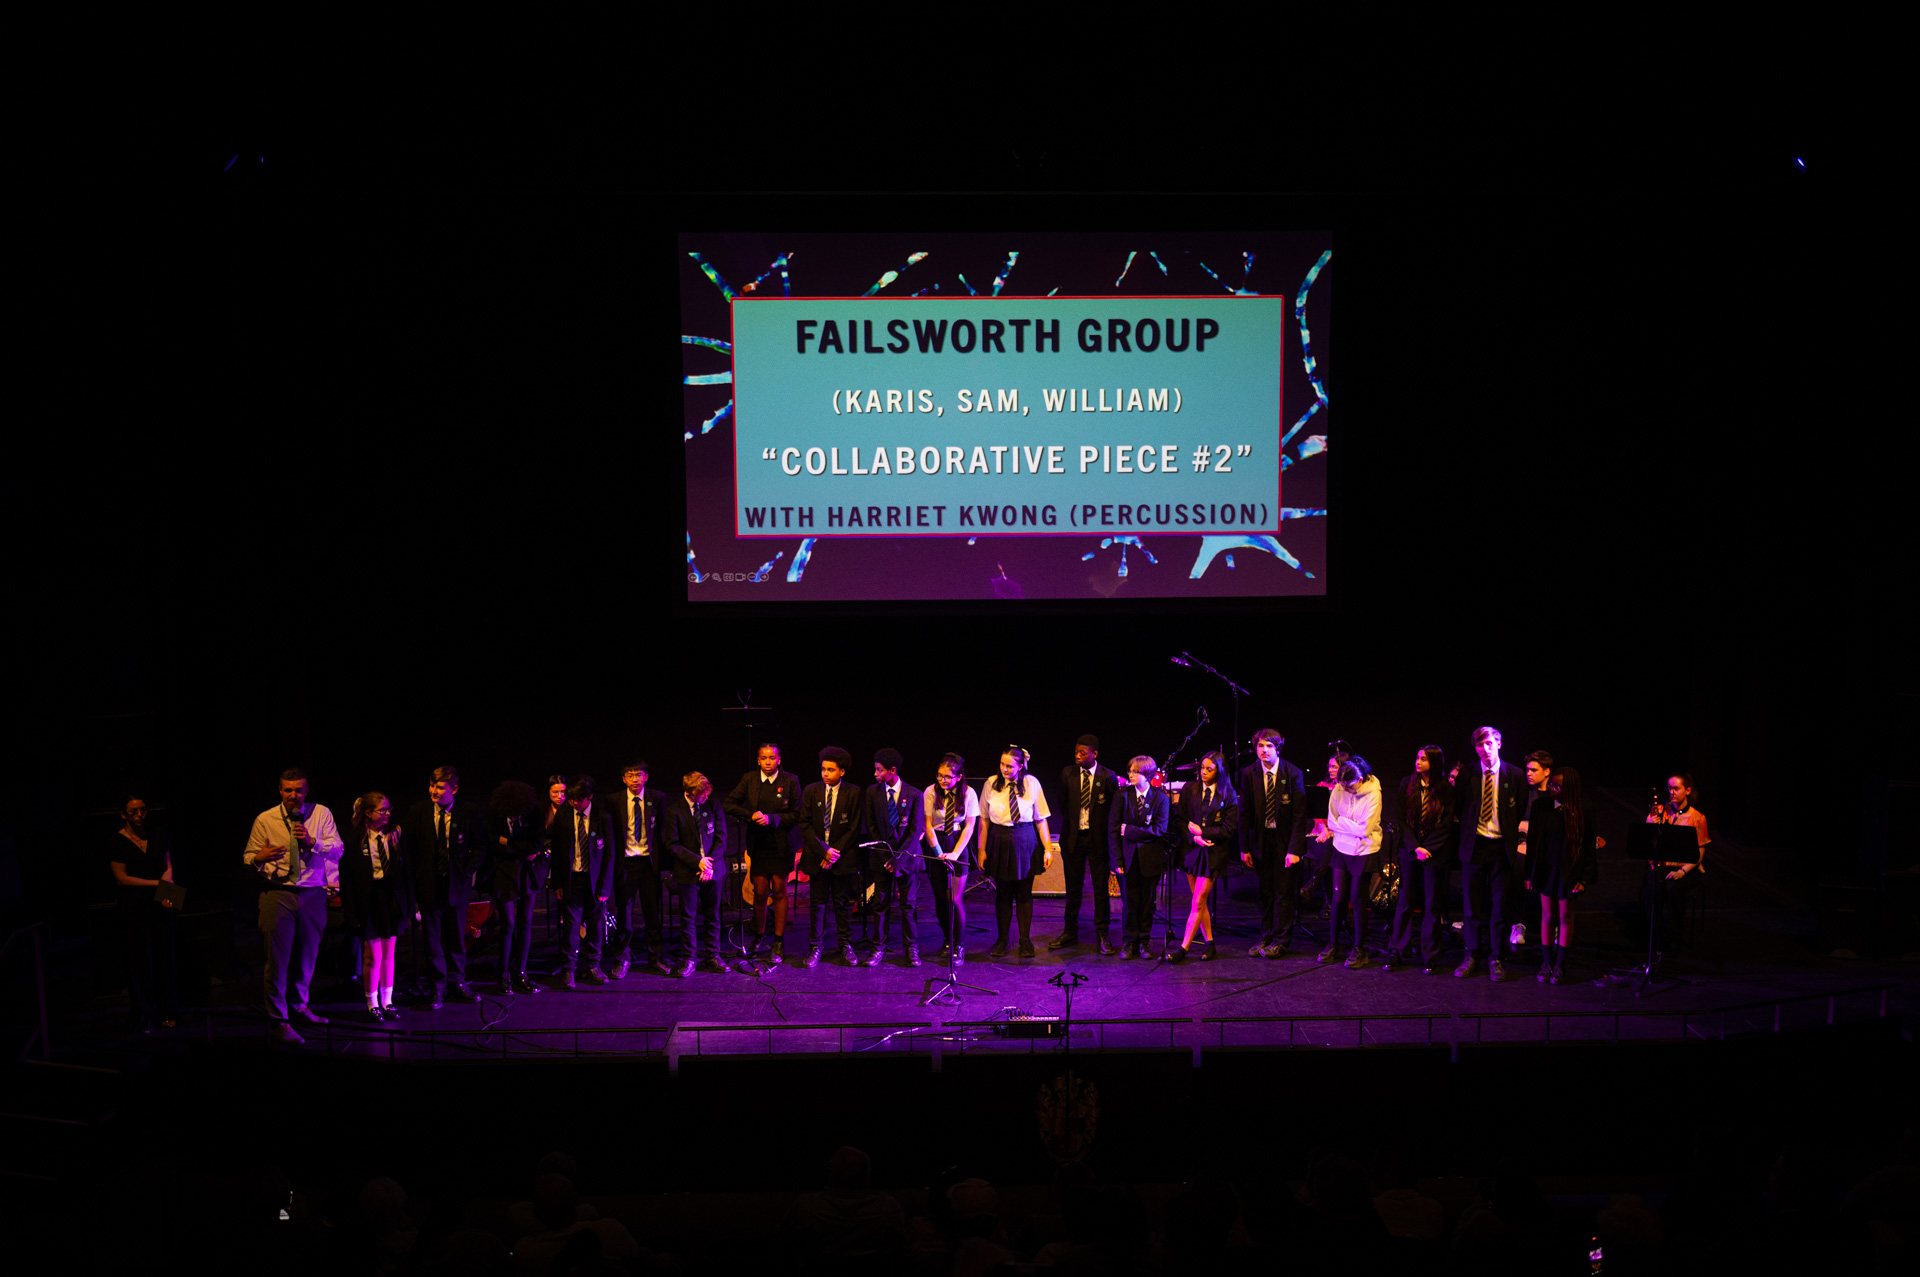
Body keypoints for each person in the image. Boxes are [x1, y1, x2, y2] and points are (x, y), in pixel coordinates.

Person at [243, 769, 343, 1044]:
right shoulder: (265, 819)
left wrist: (313, 842)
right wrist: (259, 857)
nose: (293, 795)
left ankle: (299, 1005)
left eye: (298, 790)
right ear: (280, 790)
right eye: (288, 790)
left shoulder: (321, 813)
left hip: (312, 893)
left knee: (307, 956)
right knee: (277, 960)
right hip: (278, 893)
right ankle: (279, 1020)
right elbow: (248, 857)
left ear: (306, 791)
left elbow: (338, 849)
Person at [404, 766, 486, 1008]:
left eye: (440, 787)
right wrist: (414, 884)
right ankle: (437, 987)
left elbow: (480, 846)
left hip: (456, 886)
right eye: (432, 785)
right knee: (432, 939)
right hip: (429, 886)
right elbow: (409, 850)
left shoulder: (468, 811)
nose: (434, 791)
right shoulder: (418, 811)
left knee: (456, 937)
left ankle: (457, 983)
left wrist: (466, 872)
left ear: (454, 789)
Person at [1454, 727, 1528, 982]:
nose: (1484, 749)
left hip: (1500, 848)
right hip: (1474, 847)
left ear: (1498, 743)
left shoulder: (1514, 775)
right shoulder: (1468, 774)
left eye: (1488, 743)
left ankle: (1496, 957)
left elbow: (1518, 809)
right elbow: (1461, 807)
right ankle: (1472, 954)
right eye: (1479, 745)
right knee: (1472, 906)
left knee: (1499, 907)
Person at [725, 742, 802, 963]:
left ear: (779, 760)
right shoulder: (749, 779)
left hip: (781, 845)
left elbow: (796, 814)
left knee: (779, 891)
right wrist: (749, 815)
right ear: (758, 760)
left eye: (772, 758)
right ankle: (759, 936)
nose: (768, 762)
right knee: (759, 893)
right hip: (758, 844)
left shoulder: (790, 780)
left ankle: (778, 940)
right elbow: (729, 803)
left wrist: (772, 819)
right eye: (764, 758)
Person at [339, 791, 413, 1020]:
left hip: (390, 899)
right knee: (373, 954)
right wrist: (351, 913)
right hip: (368, 900)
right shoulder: (355, 839)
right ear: (368, 813)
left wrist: (409, 906)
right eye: (382, 810)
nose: (387, 814)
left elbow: (407, 873)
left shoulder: (395, 834)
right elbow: (347, 880)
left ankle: (387, 1000)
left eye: (389, 809)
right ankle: (372, 1002)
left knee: (389, 953)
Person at [107, 795, 178, 1032]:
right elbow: (121, 878)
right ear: (123, 815)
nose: (139, 816)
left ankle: (167, 1011)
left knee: (165, 956)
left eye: (143, 811)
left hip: (160, 901)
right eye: (133, 812)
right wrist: (156, 885)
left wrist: (167, 891)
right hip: (134, 906)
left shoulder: (157, 833)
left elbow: (168, 865)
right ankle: (144, 1014)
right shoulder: (117, 841)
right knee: (140, 961)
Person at [1236, 728, 1308, 957]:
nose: (1264, 750)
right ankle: (1266, 936)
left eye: (1269, 746)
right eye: (1260, 746)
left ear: (1278, 749)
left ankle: (1281, 940)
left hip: (1284, 841)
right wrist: (1244, 847)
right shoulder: (1249, 773)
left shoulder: (1292, 773)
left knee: (1283, 893)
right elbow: (1244, 813)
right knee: (1264, 892)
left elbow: (1299, 816)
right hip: (1260, 840)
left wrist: (1294, 849)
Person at [978, 746, 1056, 958]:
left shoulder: (1031, 783)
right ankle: (1002, 939)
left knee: (1023, 892)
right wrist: (982, 849)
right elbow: (984, 820)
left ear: (1021, 766)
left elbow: (1041, 819)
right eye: (1002, 764)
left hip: (1025, 839)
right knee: (1003, 893)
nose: (1004, 769)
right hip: (1000, 838)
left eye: (1009, 766)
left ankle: (1025, 940)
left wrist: (1048, 848)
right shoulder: (991, 783)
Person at [1384, 746, 1456, 974]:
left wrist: (1428, 848)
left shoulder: (1445, 788)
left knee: (1432, 904)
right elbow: (1401, 818)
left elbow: (1447, 823)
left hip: (1435, 853)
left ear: (1434, 762)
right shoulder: (1408, 783)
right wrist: (1416, 847)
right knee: (1405, 902)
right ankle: (1397, 950)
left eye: (1423, 759)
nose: (1418, 761)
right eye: (1417, 757)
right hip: (1410, 851)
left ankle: (1430, 955)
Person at [1051, 734, 1122, 955]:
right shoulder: (1068, 774)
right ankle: (1070, 931)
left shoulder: (1108, 776)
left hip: (1097, 840)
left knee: (1100, 889)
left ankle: (1102, 933)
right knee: (1073, 889)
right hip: (1074, 838)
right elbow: (1062, 804)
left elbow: (1113, 811)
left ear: (1095, 754)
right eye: (1076, 751)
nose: (1078, 755)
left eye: (1083, 752)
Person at [1526, 767, 1595, 983]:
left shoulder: (1583, 809)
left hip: (1569, 870)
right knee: (1547, 916)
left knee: (1565, 916)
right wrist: (1529, 873)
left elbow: (1588, 846)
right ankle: (1547, 962)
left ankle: (1560, 964)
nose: (1552, 789)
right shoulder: (1541, 807)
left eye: (1557, 786)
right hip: (1546, 868)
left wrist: (1584, 878)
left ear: (1570, 789)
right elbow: (1533, 842)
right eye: (1551, 785)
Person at [799, 746, 864, 968]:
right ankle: (815, 946)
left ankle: (845, 944)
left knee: (842, 903)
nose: (825, 773)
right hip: (817, 857)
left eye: (830, 770)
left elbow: (854, 828)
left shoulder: (853, 793)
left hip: (841, 858)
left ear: (841, 772)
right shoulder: (811, 791)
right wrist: (823, 850)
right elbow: (805, 824)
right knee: (817, 903)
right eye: (823, 769)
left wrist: (833, 852)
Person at [1316, 757, 1384, 967]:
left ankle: (1359, 949)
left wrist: (1342, 822)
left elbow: (1365, 830)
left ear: (1360, 780)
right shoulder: (1339, 788)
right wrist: (1347, 825)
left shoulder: (1374, 793)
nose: (1345, 789)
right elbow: (1331, 820)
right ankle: (1333, 944)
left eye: (1349, 786)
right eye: (1342, 785)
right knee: (1338, 898)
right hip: (1341, 847)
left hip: (1364, 850)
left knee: (1358, 898)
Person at [863, 748, 927, 968]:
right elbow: (871, 827)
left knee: (908, 905)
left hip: (906, 860)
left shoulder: (915, 794)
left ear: (892, 770)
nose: (875, 774)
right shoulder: (872, 793)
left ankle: (911, 948)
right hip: (882, 860)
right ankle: (878, 947)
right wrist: (886, 857)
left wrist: (899, 859)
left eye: (879, 770)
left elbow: (915, 831)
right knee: (880, 905)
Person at [1171, 752, 1237, 963]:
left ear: (1220, 771)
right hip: (1192, 850)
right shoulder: (1190, 789)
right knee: (1198, 901)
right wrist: (1194, 837)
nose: (1204, 772)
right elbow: (1179, 821)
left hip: (1213, 852)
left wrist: (1203, 832)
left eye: (1210, 769)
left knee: (1198, 901)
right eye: (1202, 768)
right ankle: (1210, 943)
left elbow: (1229, 829)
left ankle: (1184, 948)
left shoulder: (1228, 794)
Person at [663, 771, 731, 976]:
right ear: (689, 793)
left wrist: (709, 865)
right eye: (702, 795)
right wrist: (698, 862)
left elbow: (721, 837)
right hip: (688, 871)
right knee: (688, 917)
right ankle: (689, 958)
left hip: (713, 870)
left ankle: (713, 956)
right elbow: (672, 845)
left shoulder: (713, 805)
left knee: (713, 915)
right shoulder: (674, 811)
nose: (706, 797)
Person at [607, 760, 667, 979]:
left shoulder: (657, 797)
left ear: (646, 777)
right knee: (624, 913)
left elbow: (662, 831)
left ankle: (655, 957)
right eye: (630, 775)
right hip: (625, 864)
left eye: (639, 775)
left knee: (653, 912)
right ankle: (622, 957)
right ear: (624, 779)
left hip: (649, 863)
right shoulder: (613, 800)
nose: (635, 779)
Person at [552, 776, 615, 987]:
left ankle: (593, 966)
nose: (575, 804)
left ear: (590, 797)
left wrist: (605, 886)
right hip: (572, 878)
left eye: (579, 800)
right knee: (571, 926)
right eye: (571, 800)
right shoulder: (563, 815)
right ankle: (569, 969)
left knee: (595, 925)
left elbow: (609, 855)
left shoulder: (602, 817)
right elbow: (557, 852)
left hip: (594, 880)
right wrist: (557, 883)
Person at [488, 779, 548, 994]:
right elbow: (492, 843)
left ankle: (520, 973)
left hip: (528, 873)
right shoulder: (495, 812)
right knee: (508, 923)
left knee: (525, 923)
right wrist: (520, 850)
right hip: (503, 872)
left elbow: (536, 846)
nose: (514, 818)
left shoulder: (534, 812)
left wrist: (507, 842)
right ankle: (503, 973)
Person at [922, 752, 980, 961]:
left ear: (959, 777)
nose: (942, 780)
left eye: (947, 777)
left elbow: (970, 826)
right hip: (936, 843)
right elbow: (928, 825)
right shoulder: (930, 791)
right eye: (940, 775)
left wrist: (955, 853)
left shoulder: (969, 793)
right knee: (940, 898)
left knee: (954, 899)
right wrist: (938, 853)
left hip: (957, 842)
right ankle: (948, 939)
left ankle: (959, 945)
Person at [1645, 772, 1710, 955]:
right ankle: (1652, 937)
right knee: (1651, 885)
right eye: (1669, 788)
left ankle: (1672, 938)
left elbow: (1700, 853)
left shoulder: (1698, 818)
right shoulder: (1660, 811)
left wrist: (1683, 870)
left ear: (1687, 790)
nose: (1671, 792)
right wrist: (1649, 824)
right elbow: (1649, 842)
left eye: (1676, 788)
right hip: (1664, 864)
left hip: (1688, 868)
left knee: (1673, 888)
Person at [1112, 755, 1169, 960]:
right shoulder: (1121, 796)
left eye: (1136, 772)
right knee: (1129, 902)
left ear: (1148, 775)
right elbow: (1113, 830)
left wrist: (1129, 831)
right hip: (1127, 859)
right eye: (1130, 771)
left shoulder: (1160, 798)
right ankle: (1129, 941)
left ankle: (1145, 940)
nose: (1131, 774)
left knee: (1147, 902)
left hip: (1150, 860)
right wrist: (1116, 860)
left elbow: (1159, 830)